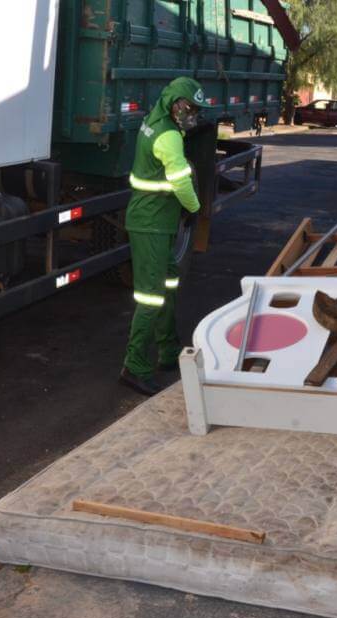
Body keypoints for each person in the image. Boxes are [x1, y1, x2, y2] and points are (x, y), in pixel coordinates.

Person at [119, 77, 212, 395]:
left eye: (195, 110)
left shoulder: (155, 120)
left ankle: (168, 349)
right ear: (174, 103)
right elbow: (182, 183)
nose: (192, 115)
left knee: (169, 282)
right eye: (188, 108)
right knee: (151, 296)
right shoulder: (168, 136)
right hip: (151, 224)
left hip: (158, 221)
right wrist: (196, 208)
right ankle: (135, 366)